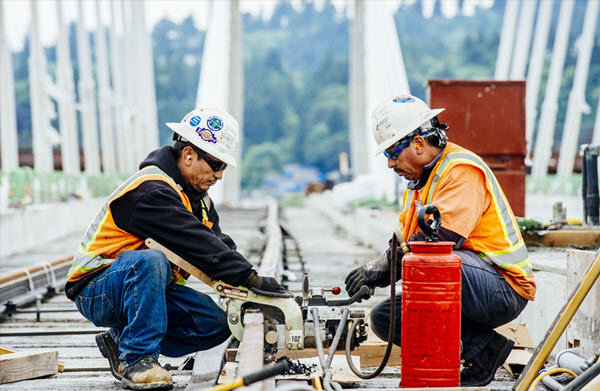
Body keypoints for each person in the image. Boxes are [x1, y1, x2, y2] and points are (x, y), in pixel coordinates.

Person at [65, 108, 291, 390]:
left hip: (144, 292)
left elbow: (218, 246)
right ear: (188, 155)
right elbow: (198, 243)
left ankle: (121, 339)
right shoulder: (151, 191)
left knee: (218, 323)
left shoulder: (198, 201)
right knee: (149, 262)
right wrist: (249, 278)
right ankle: (137, 358)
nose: (220, 175)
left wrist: (255, 289)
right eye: (217, 165)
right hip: (97, 288)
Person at [344, 95, 536, 387]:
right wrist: (378, 269)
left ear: (418, 144)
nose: (390, 164)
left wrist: (385, 267)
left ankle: (468, 353)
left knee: (435, 265)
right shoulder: (420, 182)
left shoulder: (461, 171)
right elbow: (405, 239)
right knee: (385, 317)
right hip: (468, 281)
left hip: (502, 287)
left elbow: (440, 240)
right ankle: (483, 350)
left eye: (392, 152)